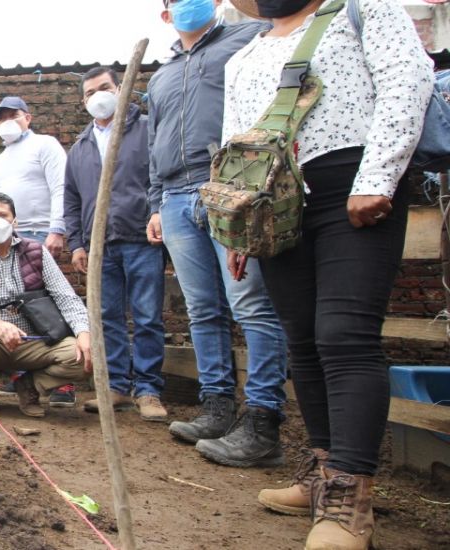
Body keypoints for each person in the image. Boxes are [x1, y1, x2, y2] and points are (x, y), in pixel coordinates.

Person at [224, 1, 432, 547]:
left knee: (343, 335)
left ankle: (349, 498)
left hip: (350, 184)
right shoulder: (243, 53)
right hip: (277, 201)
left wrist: (380, 176)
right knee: (304, 342)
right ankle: (322, 473)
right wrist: (240, 224)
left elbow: (407, 83)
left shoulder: (364, 11)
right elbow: (235, 143)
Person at [146, 0, 289, 467]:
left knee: (251, 304)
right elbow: (154, 143)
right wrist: (155, 204)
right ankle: (217, 408)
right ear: (165, 14)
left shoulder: (249, 38)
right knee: (202, 309)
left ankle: (263, 419)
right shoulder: (160, 75)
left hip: (230, 188)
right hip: (174, 195)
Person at [63, 67, 168, 422]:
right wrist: (77, 243)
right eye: (90, 92)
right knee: (107, 318)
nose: (98, 96)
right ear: (83, 101)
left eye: (104, 87)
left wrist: (157, 213)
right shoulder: (80, 146)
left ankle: (149, 390)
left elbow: (160, 176)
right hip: (99, 246)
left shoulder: (147, 129)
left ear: (121, 88)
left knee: (147, 315)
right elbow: (72, 200)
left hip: (140, 237)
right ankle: (118, 386)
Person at [0, 192, 93, 418]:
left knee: (85, 355)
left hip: (35, 342)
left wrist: (84, 331)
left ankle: (30, 387)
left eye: (2, 215)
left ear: (14, 221)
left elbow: (66, 297)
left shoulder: (35, 251)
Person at [0, 96, 77, 407]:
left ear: (28, 117)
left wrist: (57, 229)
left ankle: (62, 385)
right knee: (17, 307)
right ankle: (21, 377)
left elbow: (60, 187)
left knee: (49, 305)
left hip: (40, 235)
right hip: (8, 239)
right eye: (1, 117)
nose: (7, 121)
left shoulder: (45, 145)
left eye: (13, 114)